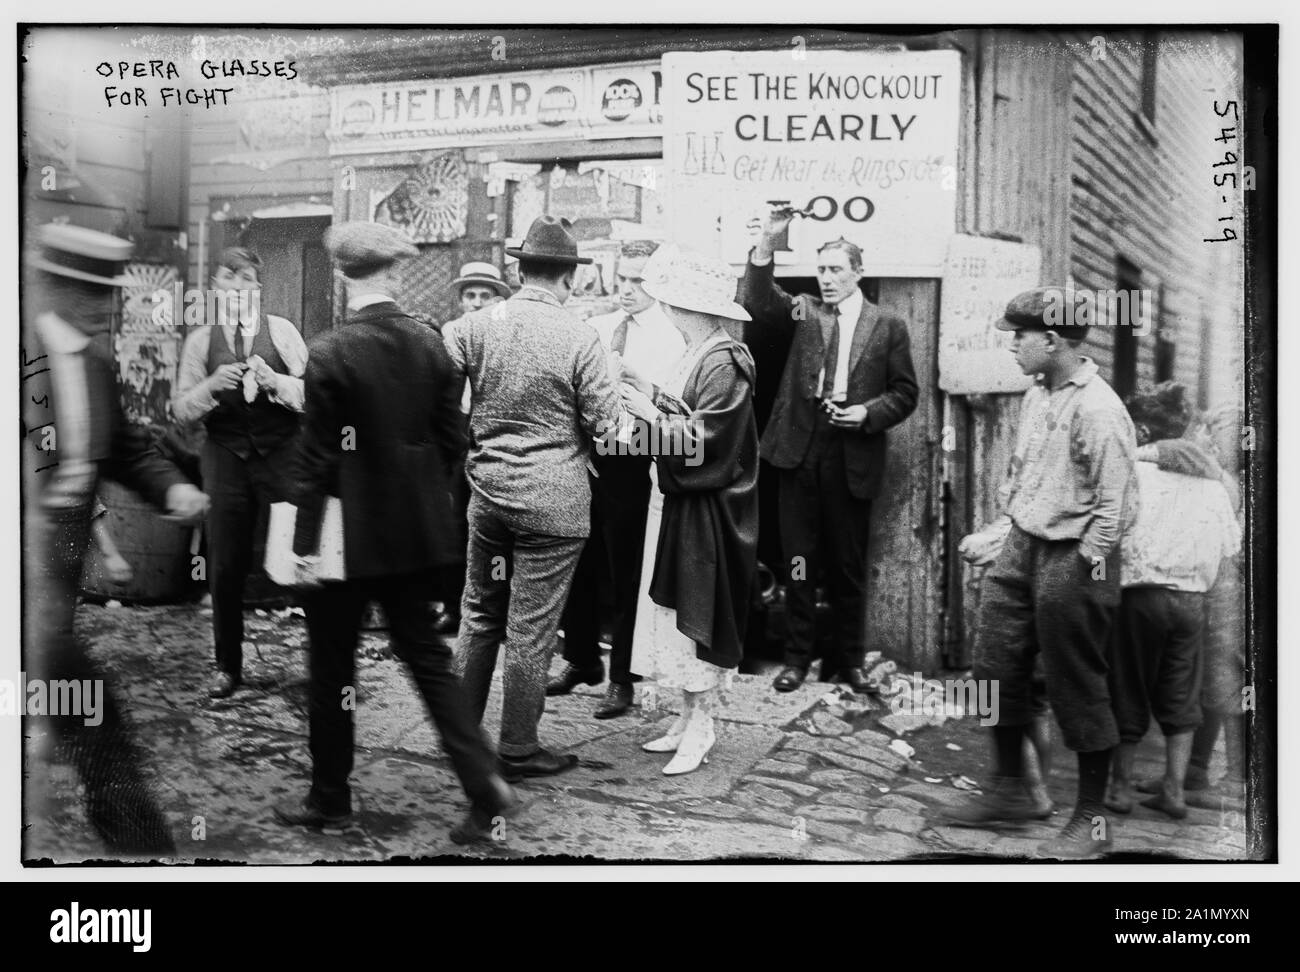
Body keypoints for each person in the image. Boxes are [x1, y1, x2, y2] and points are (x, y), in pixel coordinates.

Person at [274, 222, 514, 845]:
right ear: (393, 274)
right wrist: (428, 513)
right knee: (431, 665)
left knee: (332, 671)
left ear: (344, 276)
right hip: (413, 537)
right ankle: (483, 784)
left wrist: (301, 546)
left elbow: (318, 461)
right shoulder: (431, 344)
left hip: (343, 540)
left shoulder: (330, 352)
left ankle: (330, 799)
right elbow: (453, 442)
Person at [22, 223, 210, 856]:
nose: (103, 306)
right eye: (88, 293)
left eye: (106, 294)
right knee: (88, 705)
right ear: (48, 287)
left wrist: (172, 490)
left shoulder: (94, 361)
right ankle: (141, 852)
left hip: (60, 549)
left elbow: (126, 446)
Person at [950, 286, 1137, 859]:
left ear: (1052, 339)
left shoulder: (1099, 409)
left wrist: (1082, 567)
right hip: (1024, 545)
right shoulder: (1037, 395)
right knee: (989, 670)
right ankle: (1011, 790)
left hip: (1076, 554)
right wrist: (1001, 533)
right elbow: (1028, 482)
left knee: (1075, 684)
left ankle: (1092, 818)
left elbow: (1118, 509)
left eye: (1018, 335)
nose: (1010, 345)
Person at [444, 216, 624, 782]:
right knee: (531, 628)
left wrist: (477, 445)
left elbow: (443, 404)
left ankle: (462, 740)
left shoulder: (471, 326)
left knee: (477, 614)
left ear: (518, 269)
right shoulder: (581, 336)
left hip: (488, 496)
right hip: (554, 504)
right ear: (568, 276)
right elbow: (610, 431)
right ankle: (517, 748)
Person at [740, 206, 918, 695]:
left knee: (847, 566)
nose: (827, 278)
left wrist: (868, 414)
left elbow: (906, 393)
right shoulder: (805, 311)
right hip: (799, 451)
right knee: (798, 561)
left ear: (858, 273)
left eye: (837, 269)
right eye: (821, 269)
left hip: (852, 454)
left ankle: (849, 661)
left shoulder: (888, 326)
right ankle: (797, 660)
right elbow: (756, 299)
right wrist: (766, 244)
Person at [616, 245, 759, 775]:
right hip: (678, 501)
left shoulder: (724, 360)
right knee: (674, 614)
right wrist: (646, 386)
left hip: (706, 509)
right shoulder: (701, 353)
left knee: (693, 611)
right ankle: (684, 717)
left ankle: (701, 725)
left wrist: (648, 412)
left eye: (672, 302)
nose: (667, 311)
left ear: (690, 308)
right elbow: (690, 411)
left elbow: (708, 438)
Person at [548, 239, 687, 719]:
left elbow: (677, 418)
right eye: (622, 278)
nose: (627, 289)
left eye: (638, 280)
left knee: (627, 571)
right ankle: (581, 659)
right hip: (590, 459)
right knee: (578, 559)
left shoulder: (674, 339)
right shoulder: (599, 327)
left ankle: (624, 678)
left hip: (638, 462)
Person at [173, 247, 307, 699]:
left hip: (281, 453)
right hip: (225, 456)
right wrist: (211, 386)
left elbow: (314, 395)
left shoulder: (282, 332)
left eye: (245, 280)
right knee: (225, 562)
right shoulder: (199, 341)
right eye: (226, 281)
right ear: (214, 289)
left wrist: (277, 383)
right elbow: (181, 410)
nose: (235, 289)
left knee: (300, 553)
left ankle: (320, 660)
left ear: (257, 288)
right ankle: (227, 666)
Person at [1104, 383, 1240, 820]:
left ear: (1143, 431)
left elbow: (1112, 533)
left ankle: (1121, 789)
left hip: (1141, 596)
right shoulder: (1216, 486)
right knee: (1182, 696)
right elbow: (1228, 548)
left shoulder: (1135, 473)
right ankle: (1175, 790)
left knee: (1128, 688)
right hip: (1192, 603)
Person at [425, 262, 514, 636]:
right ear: (461, 301)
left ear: (497, 301)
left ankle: (499, 609)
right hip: (458, 434)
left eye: (485, 295)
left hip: (497, 433)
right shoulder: (451, 333)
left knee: (498, 527)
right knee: (454, 524)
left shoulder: (508, 334)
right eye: (470, 295)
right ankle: (453, 607)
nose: (476, 302)